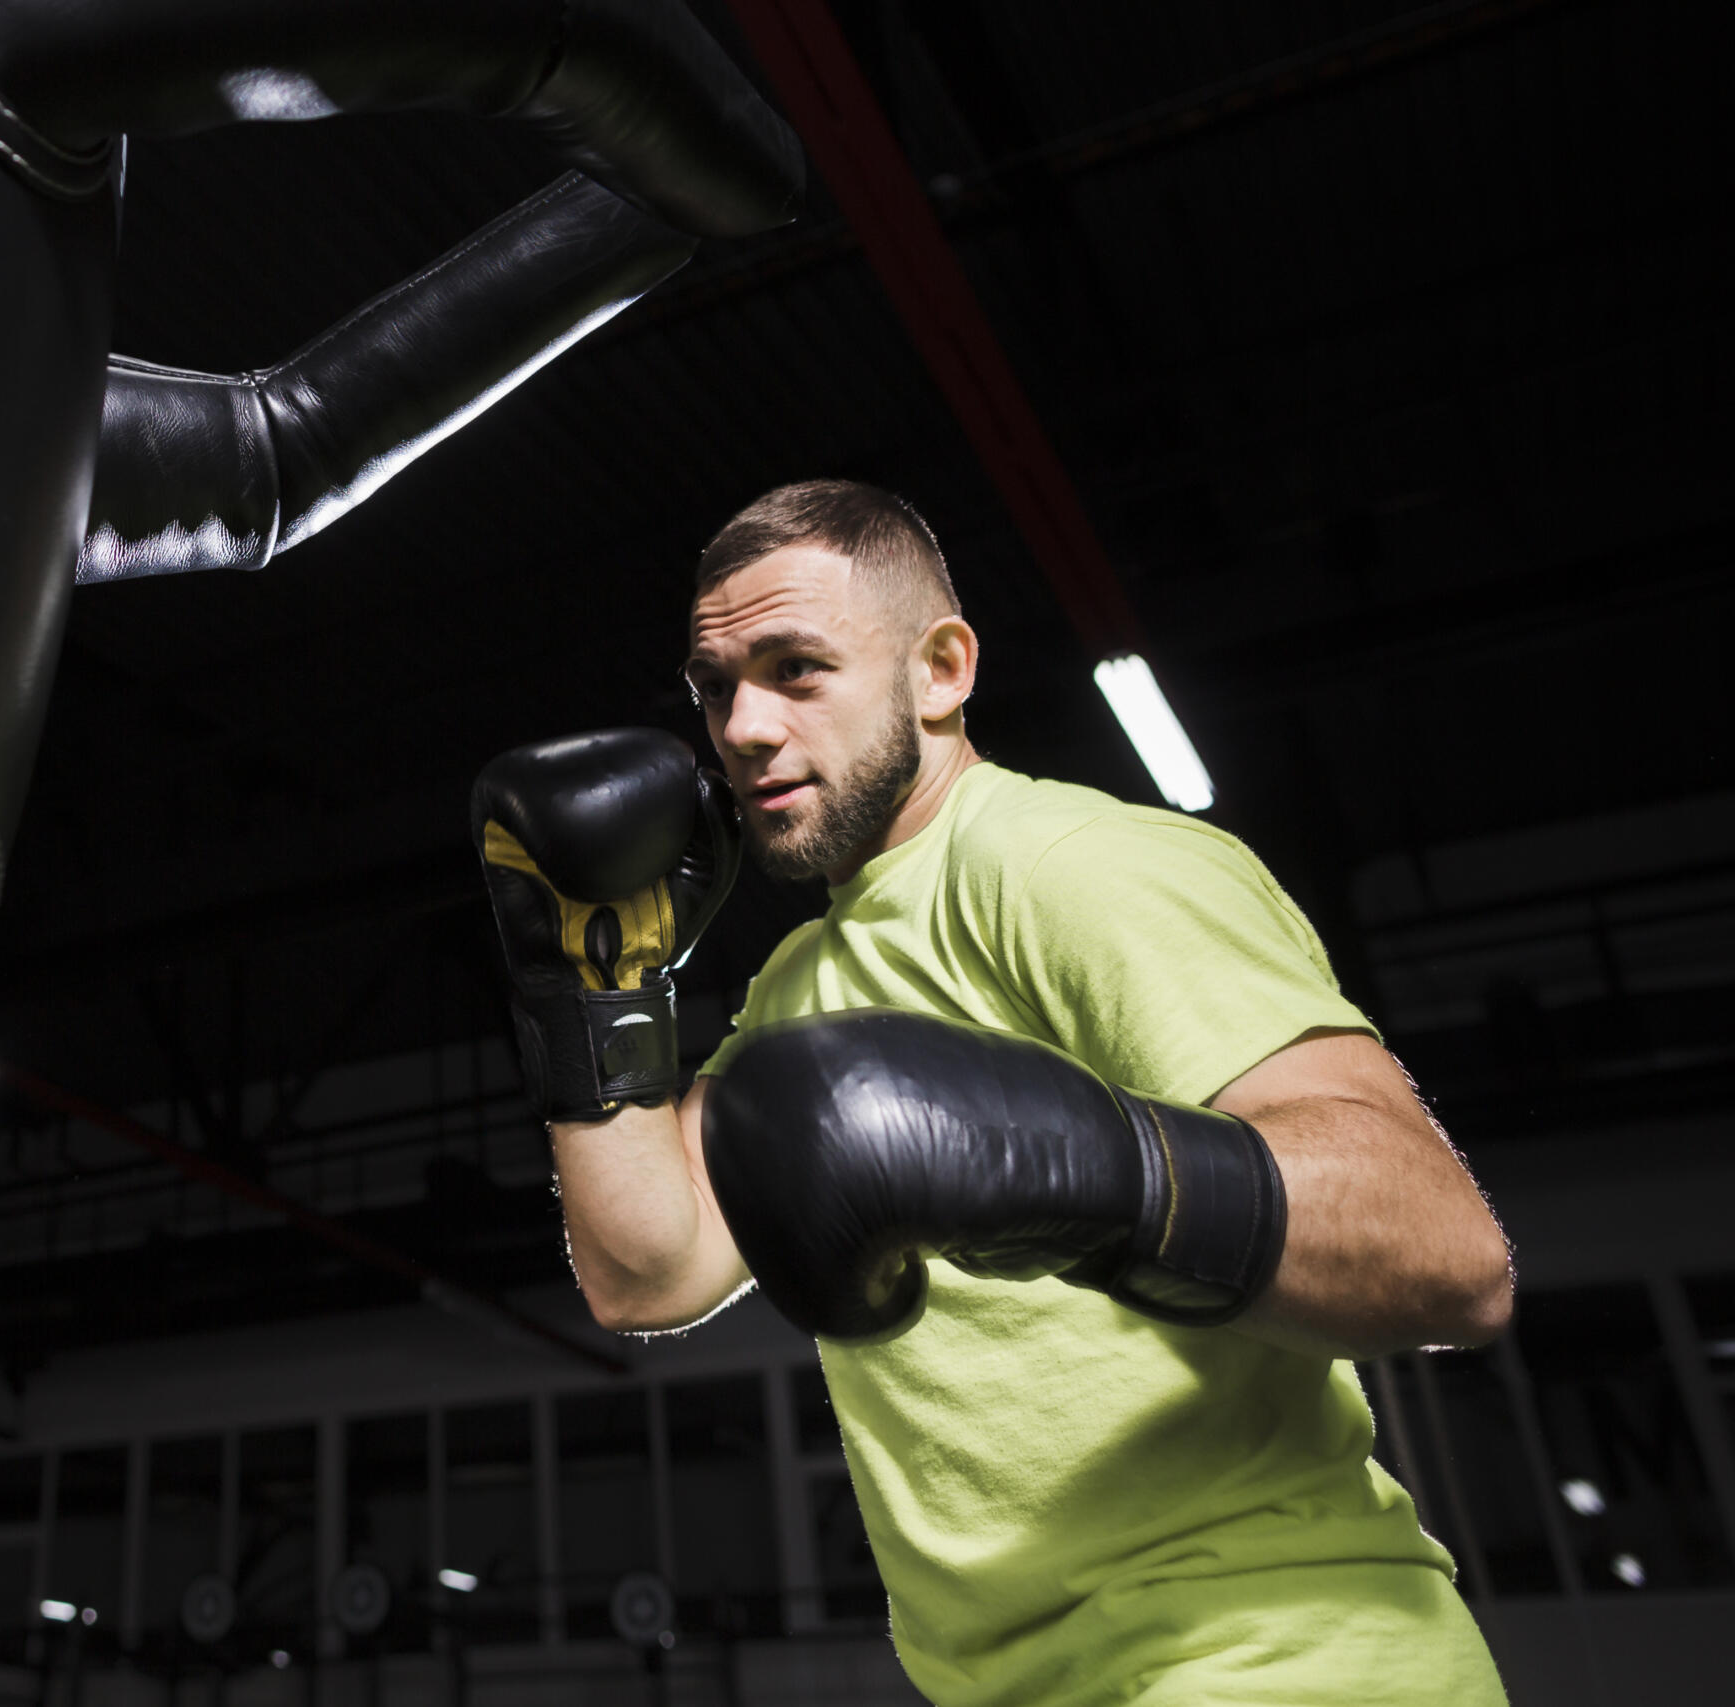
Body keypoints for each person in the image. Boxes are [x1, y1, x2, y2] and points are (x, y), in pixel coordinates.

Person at [468, 480, 1513, 1706]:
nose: (742, 726)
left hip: (1273, 1659)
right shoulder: (800, 981)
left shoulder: (1069, 865)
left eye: (796, 668)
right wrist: (593, 998)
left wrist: (1112, 1180)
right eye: (714, 687)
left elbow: (1451, 1254)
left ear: (941, 671)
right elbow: (647, 1271)